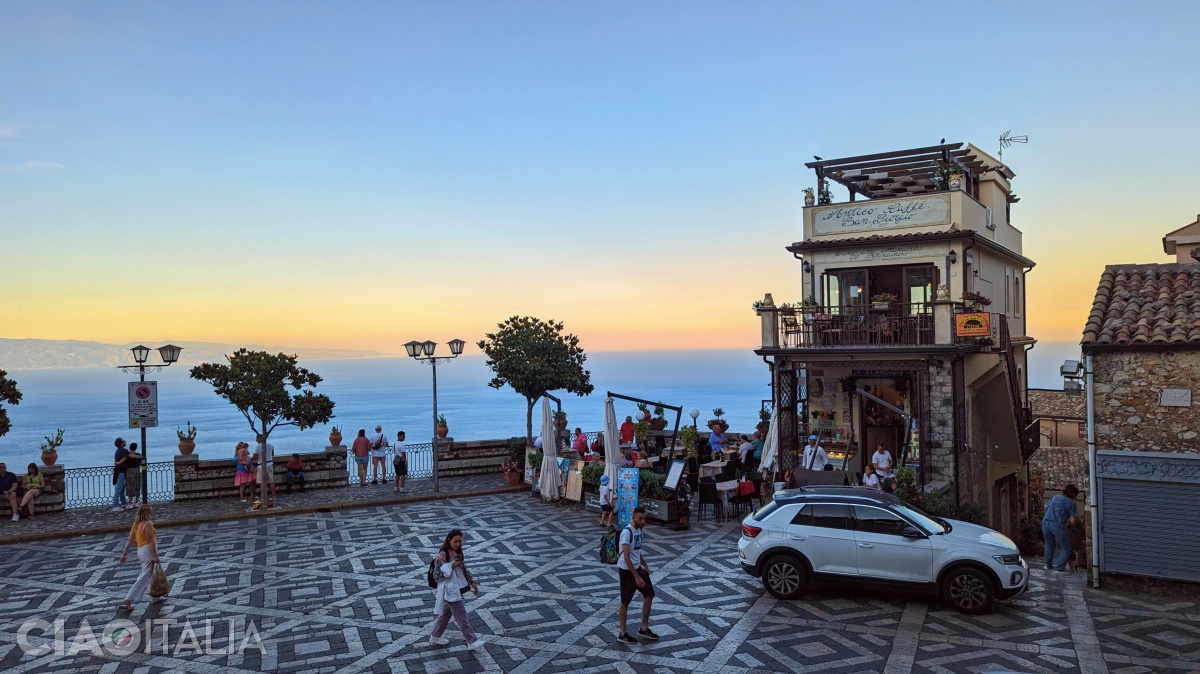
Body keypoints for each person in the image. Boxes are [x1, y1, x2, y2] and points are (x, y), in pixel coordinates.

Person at [428, 529, 485, 650]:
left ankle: (435, 636)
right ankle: (471, 641)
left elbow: (463, 568)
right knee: (462, 616)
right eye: (455, 541)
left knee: (445, 614)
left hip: (455, 587)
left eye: (460, 541)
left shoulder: (457, 552)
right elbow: (437, 575)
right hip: (449, 590)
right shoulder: (443, 554)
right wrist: (451, 566)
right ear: (449, 540)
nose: (458, 544)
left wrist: (472, 581)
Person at [616, 506, 658, 645]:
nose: (643, 521)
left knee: (649, 594)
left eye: (644, 518)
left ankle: (644, 628)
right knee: (625, 601)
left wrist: (644, 564)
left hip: (637, 567)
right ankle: (622, 633)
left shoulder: (639, 530)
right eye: (640, 518)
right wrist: (636, 576)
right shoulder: (627, 532)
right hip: (627, 570)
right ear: (633, 518)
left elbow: (636, 551)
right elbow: (627, 556)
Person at [118, 504, 161, 611]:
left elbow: (130, 540)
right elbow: (150, 541)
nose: (152, 512)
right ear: (146, 513)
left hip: (140, 550)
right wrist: (155, 555)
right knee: (145, 575)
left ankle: (155, 596)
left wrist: (125, 553)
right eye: (150, 511)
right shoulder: (147, 524)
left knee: (150, 573)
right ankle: (129, 598)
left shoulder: (136, 525)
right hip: (147, 551)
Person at [1042, 484, 1080, 572]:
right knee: (1066, 547)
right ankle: (1058, 568)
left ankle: (1047, 565)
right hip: (1058, 525)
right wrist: (1072, 527)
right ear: (1073, 494)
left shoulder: (1055, 497)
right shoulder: (1071, 503)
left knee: (1049, 544)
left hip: (1045, 523)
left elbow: (1045, 507)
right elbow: (1072, 520)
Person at [254, 434, 277, 507]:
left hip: (261, 465)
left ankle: (263, 498)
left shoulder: (257, 447)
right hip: (270, 463)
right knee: (271, 480)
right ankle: (273, 497)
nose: (256, 441)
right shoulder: (271, 445)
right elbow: (272, 454)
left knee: (261, 482)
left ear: (260, 439)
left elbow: (255, 457)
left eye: (257, 439)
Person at [112, 437, 131, 512]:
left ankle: (123, 502)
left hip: (120, 471)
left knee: (122, 487)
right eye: (124, 441)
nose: (125, 441)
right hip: (121, 471)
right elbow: (129, 456)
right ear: (121, 443)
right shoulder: (123, 451)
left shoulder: (118, 451)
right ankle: (115, 505)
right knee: (119, 488)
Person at [125, 442, 143, 506]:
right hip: (137, 470)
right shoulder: (138, 455)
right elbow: (141, 463)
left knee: (130, 485)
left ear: (130, 448)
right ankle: (137, 501)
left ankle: (130, 502)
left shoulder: (128, 455)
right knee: (137, 485)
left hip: (129, 471)